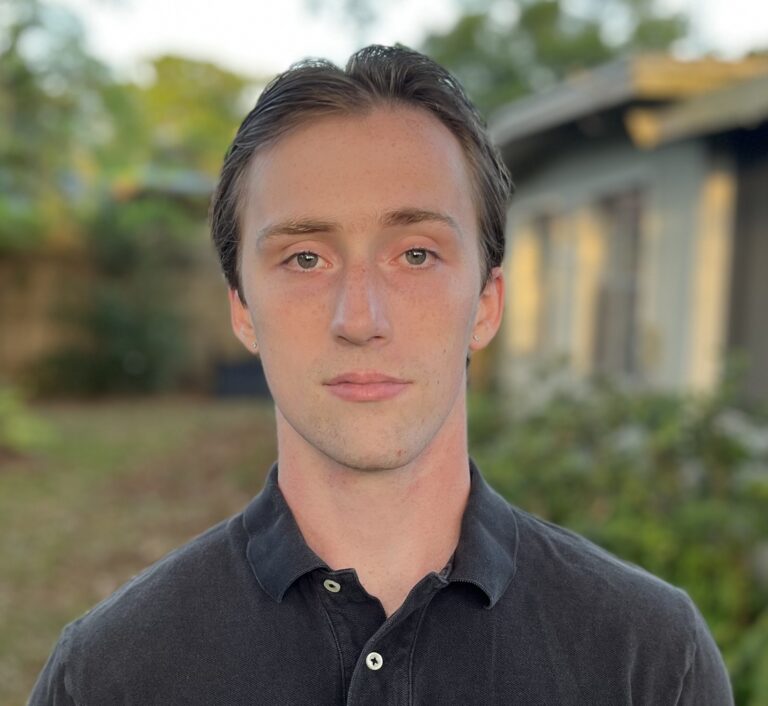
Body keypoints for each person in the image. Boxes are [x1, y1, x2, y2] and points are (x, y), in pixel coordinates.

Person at [29, 44, 733, 705]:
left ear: (487, 303)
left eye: (416, 254)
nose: (360, 318)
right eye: (305, 258)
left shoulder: (649, 660)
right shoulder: (109, 675)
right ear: (242, 310)